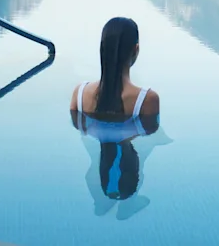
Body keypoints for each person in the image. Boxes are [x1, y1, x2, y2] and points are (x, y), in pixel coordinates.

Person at [70, 17, 165, 217]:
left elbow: (77, 126)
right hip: (125, 148)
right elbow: (151, 131)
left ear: (102, 50)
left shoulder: (79, 94)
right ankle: (128, 201)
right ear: (136, 50)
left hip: (97, 144)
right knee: (143, 148)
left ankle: (103, 202)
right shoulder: (147, 100)